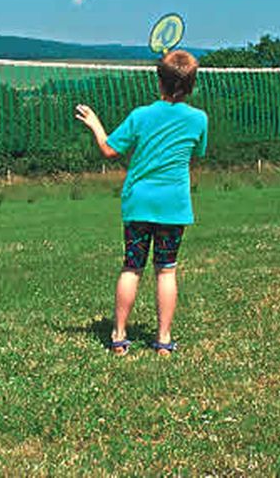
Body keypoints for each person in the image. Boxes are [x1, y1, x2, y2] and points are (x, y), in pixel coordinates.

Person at [75, 50, 207, 356]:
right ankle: (163, 340)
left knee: (132, 267)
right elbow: (197, 151)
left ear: (159, 81)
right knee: (167, 270)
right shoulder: (199, 119)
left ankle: (119, 337)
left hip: (139, 204)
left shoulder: (140, 116)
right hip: (174, 207)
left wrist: (95, 123)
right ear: (191, 85)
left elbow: (109, 150)